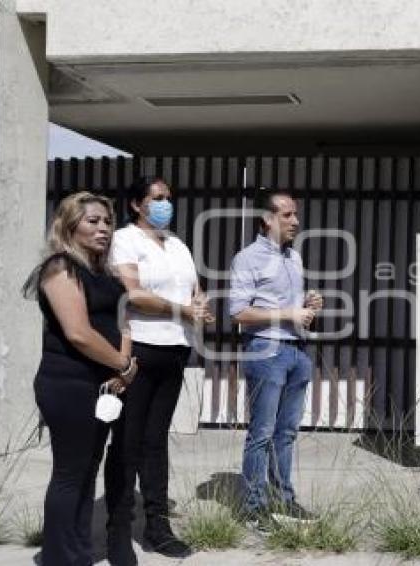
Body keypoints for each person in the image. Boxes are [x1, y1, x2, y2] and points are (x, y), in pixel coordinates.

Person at [24, 192, 138, 566]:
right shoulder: (60, 268)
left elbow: (123, 322)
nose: (104, 228)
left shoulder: (106, 274)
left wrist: (123, 367)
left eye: (107, 221)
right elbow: (78, 333)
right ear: (69, 225)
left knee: (88, 471)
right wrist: (122, 365)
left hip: (105, 385)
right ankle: (60, 556)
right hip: (68, 384)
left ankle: (78, 551)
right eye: (93, 221)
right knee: (70, 474)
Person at [106, 176, 212, 562]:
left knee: (155, 441)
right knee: (127, 441)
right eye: (158, 198)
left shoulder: (178, 245)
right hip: (140, 348)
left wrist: (200, 307)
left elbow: (193, 291)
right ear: (137, 204)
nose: (166, 203)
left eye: (169, 197)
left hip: (175, 348)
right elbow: (132, 294)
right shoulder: (125, 239)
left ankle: (158, 527)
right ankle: (118, 530)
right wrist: (183, 309)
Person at [228, 188, 323, 525]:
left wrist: (309, 305)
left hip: (297, 352)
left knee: (287, 433)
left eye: (295, 214)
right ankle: (253, 509)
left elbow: (291, 309)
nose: (295, 220)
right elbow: (238, 312)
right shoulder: (247, 258)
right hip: (265, 351)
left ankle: (284, 500)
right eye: (287, 214)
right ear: (267, 220)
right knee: (262, 432)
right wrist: (288, 314)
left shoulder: (293, 257)